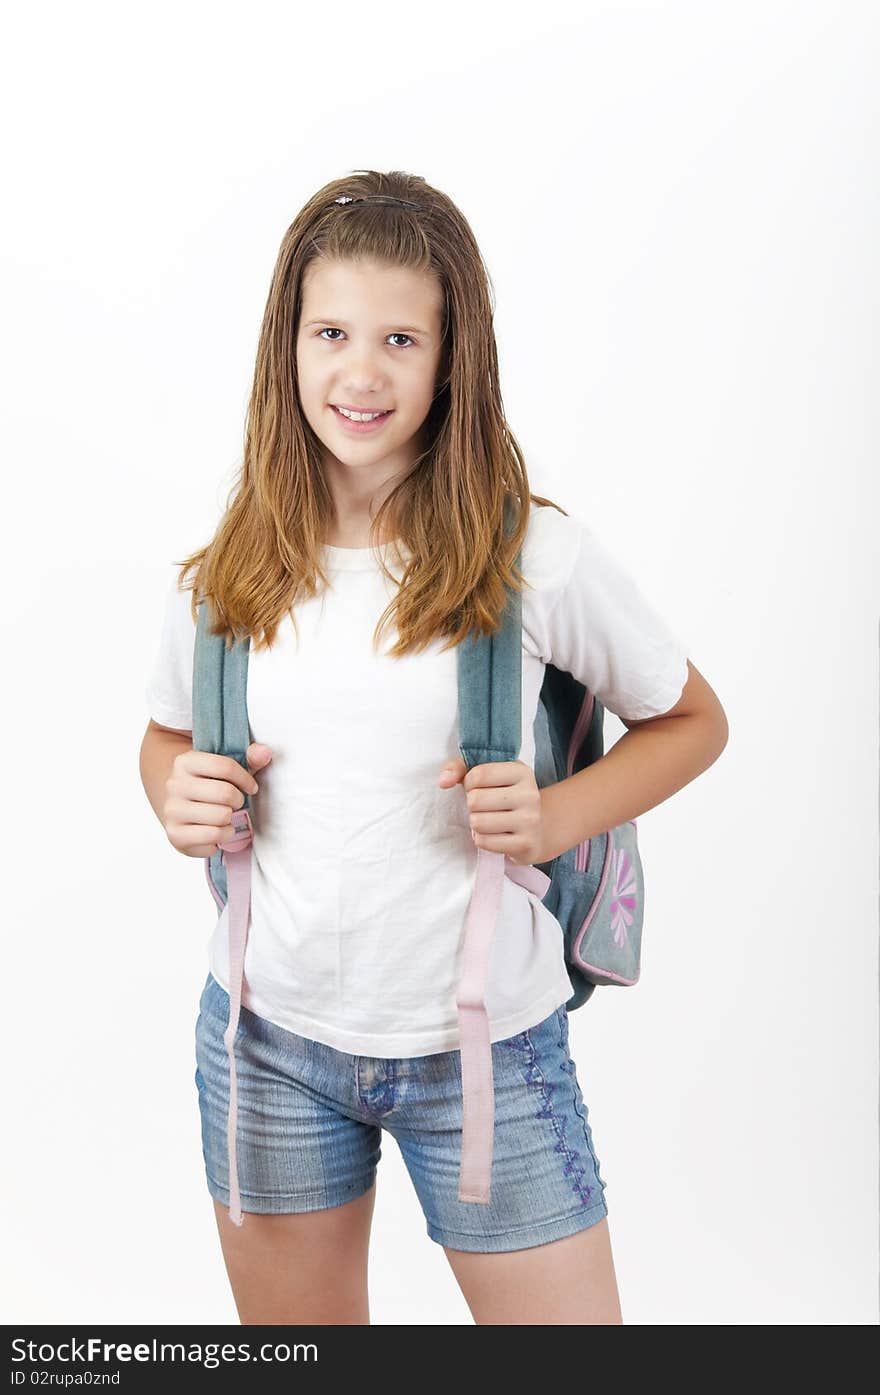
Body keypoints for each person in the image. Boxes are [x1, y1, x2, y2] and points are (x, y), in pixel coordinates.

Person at [139, 169, 728, 1325]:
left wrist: (555, 817)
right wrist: (176, 792)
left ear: (453, 359)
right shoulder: (232, 566)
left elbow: (693, 720)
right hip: (263, 1044)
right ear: (286, 347)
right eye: (332, 333)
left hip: (490, 1059)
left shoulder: (531, 559)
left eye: (401, 337)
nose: (361, 372)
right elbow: (164, 737)